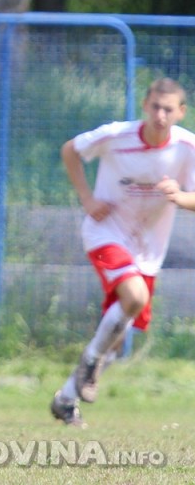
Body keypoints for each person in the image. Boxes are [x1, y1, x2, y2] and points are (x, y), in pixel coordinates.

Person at [50, 78, 195, 427]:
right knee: (134, 297)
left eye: (168, 108)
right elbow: (71, 149)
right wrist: (86, 198)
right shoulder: (117, 135)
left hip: (148, 250)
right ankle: (89, 363)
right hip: (106, 234)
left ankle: (66, 398)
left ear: (181, 112)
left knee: (116, 338)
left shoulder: (187, 147)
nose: (161, 115)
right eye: (156, 106)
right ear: (146, 105)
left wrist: (180, 196)